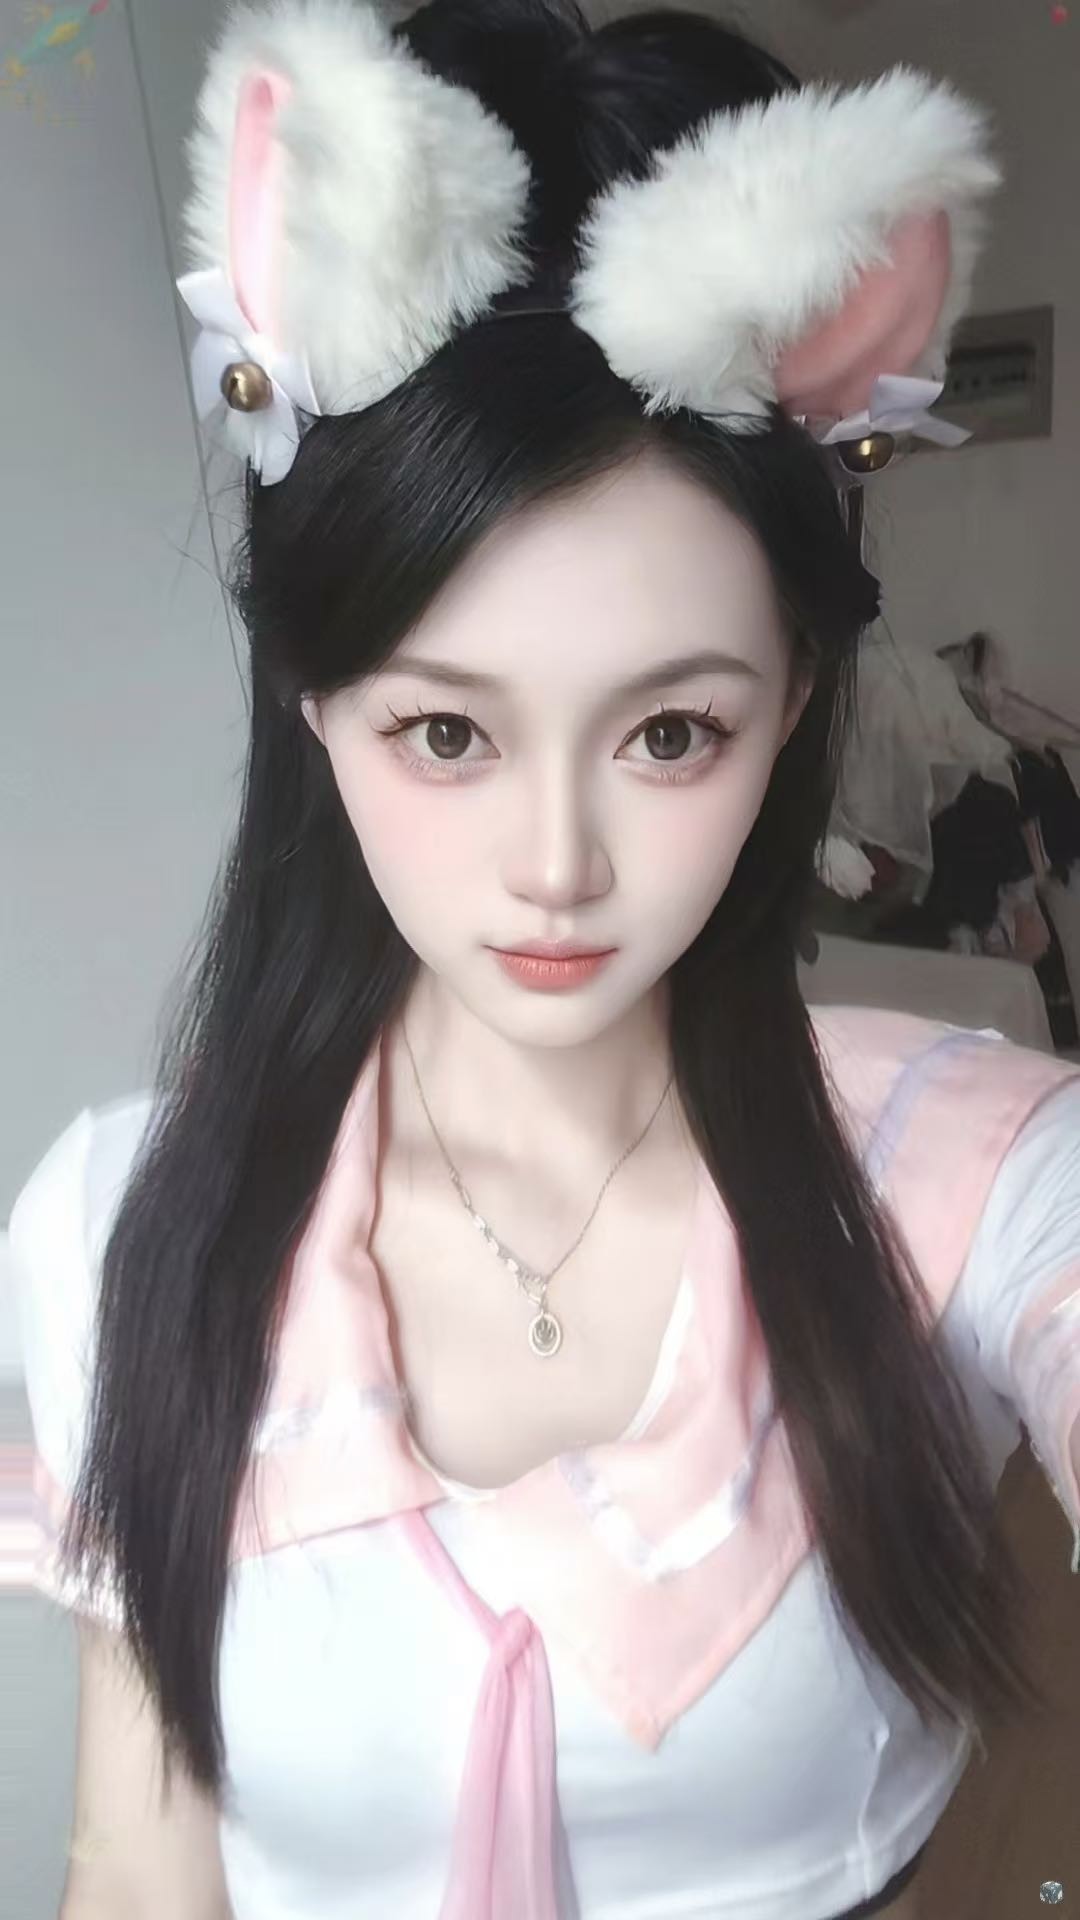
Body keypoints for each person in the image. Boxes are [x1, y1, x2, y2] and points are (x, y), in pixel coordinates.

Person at [10, 1, 1080, 1916]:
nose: (559, 867)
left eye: (671, 733)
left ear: (793, 702)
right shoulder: (122, 1228)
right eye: (448, 732)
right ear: (317, 704)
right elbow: (137, 1869)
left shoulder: (983, 1181)